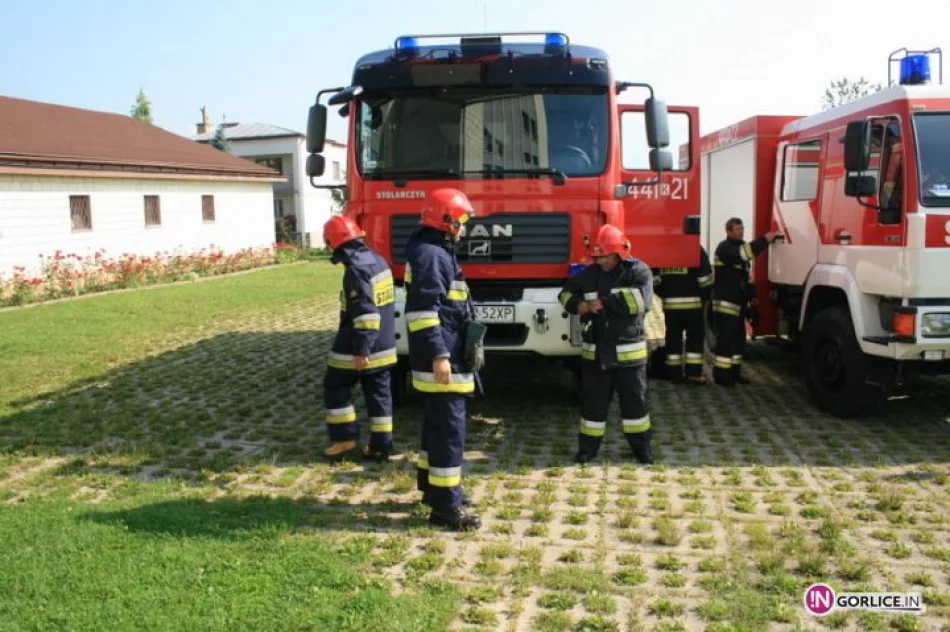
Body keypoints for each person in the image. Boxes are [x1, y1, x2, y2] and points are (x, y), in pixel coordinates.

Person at [404, 187, 482, 531]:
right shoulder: (433, 256)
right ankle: (446, 509)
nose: (464, 229)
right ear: (447, 221)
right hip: (443, 357)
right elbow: (423, 312)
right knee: (450, 431)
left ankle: (434, 490)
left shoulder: (432, 252)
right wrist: (440, 355)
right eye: (462, 222)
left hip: (442, 354)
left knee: (436, 428)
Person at [558, 223, 655, 465]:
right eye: (597, 257)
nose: (601, 261)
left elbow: (641, 302)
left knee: (635, 407)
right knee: (593, 408)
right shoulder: (590, 274)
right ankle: (587, 450)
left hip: (630, 357)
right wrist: (578, 305)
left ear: (620, 252)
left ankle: (641, 449)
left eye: (606, 257)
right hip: (596, 356)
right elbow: (565, 293)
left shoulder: (639, 271)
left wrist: (603, 302)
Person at [321, 214, 397, 461]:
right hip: (385, 344)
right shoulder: (378, 260)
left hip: (359, 344)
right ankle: (381, 445)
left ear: (335, 243)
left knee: (335, 385)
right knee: (379, 393)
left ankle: (344, 440)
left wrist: (362, 349)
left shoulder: (356, 270)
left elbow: (366, 313)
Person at [711, 217, 779, 387]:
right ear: (728, 231)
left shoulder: (738, 247)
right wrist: (765, 240)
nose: (741, 231)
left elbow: (745, 277)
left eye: (742, 228)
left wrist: (752, 295)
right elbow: (746, 253)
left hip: (738, 303)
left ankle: (735, 374)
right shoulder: (725, 248)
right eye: (737, 229)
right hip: (726, 304)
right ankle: (721, 376)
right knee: (725, 342)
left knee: (738, 341)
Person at [655, 246, 714, 385]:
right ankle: (693, 375)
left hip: (670, 306)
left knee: (673, 339)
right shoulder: (695, 249)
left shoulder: (662, 249)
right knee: (695, 340)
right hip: (693, 305)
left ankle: (674, 374)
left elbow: (654, 279)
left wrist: (665, 294)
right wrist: (704, 297)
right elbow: (706, 280)